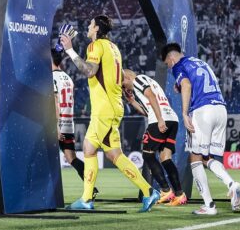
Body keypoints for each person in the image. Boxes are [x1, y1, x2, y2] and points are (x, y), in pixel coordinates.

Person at [60, 15, 159, 212]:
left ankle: (87, 199)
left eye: (90, 24)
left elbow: (89, 71)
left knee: (88, 148)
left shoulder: (95, 46)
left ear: (96, 28)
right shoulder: (114, 48)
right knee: (115, 155)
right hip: (115, 106)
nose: (88, 27)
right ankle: (148, 190)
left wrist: (70, 50)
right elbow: (120, 76)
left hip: (104, 108)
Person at [161, 43, 240, 215]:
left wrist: (184, 113)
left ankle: (209, 206)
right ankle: (232, 185)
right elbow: (195, 83)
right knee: (207, 157)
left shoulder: (178, 65)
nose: (169, 67)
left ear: (171, 58)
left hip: (202, 111)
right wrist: (182, 87)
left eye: (168, 64)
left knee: (195, 159)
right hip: (220, 109)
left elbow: (187, 85)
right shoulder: (200, 63)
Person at [122, 69, 187, 206]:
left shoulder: (138, 80)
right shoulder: (150, 81)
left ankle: (165, 190)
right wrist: (132, 101)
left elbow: (151, 97)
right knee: (165, 158)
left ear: (127, 77)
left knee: (147, 155)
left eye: (122, 83)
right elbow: (147, 110)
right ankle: (180, 194)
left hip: (160, 120)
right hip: (172, 119)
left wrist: (159, 119)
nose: (124, 87)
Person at [51, 48, 98, 197]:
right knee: (71, 158)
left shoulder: (51, 78)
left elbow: (55, 102)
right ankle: (91, 188)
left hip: (56, 125)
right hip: (68, 123)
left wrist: (55, 127)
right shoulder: (67, 78)